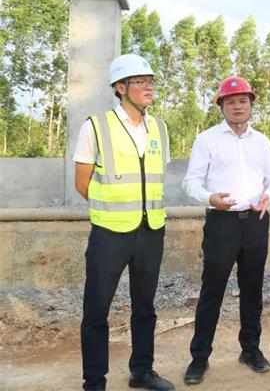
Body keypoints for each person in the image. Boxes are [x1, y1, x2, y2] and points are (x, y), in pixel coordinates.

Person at [73, 54, 174, 391]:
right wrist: (112, 210)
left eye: (151, 81)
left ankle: (142, 371)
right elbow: (83, 184)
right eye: (140, 81)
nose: (149, 86)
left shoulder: (160, 128)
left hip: (151, 231)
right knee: (97, 309)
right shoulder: (95, 126)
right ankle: (94, 381)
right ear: (120, 87)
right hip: (109, 234)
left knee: (145, 306)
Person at [182, 76, 270, 385]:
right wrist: (210, 198)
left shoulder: (261, 142)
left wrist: (269, 196)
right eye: (231, 102)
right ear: (221, 106)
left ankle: (250, 349)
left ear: (251, 105)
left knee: (252, 289)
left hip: (255, 221)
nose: (238, 106)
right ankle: (200, 356)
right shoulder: (207, 140)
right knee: (212, 290)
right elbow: (190, 182)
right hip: (221, 222)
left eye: (243, 101)